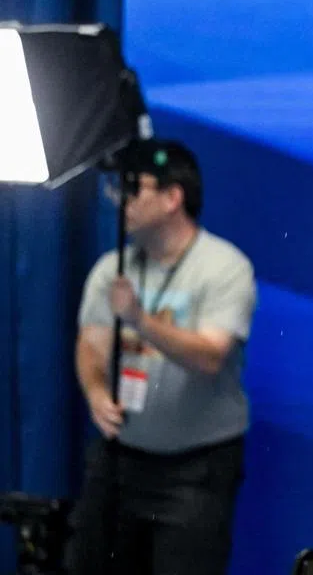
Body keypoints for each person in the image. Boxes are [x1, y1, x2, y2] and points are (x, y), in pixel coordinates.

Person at [64, 139, 257, 575]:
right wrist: (95, 392)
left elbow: (210, 356)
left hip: (196, 469)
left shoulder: (225, 268)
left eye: (134, 187)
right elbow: (90, 345)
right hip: (120, 461)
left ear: (173, 198)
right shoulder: (110, 268)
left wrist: (139, 319)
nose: (121, 199)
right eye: (118, 187)